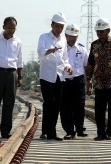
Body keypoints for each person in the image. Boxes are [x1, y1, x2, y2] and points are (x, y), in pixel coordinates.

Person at [85, 18, 111, 141]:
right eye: (98, 31)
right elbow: (90, 63)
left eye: (102, 31)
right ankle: (100, 133)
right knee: (99, 109)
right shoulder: (94, 45)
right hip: (99, 83)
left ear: (108, 30)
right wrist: (88, 79)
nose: (99, 34)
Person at [37, 12, 73, 141]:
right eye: (57, 26)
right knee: (49, 102)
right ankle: (50, 133)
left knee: (56, 104)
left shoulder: (63, 40)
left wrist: (68, 67)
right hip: (46, 75)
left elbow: (65, 58)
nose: (59, 29)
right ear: (52, 25)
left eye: (61, 27)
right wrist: (50, 50)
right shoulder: (44, 37)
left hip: (59, 75)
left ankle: (47, 130)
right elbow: (40, 53)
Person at [61, 23, 89, 139]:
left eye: (74, 36)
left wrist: (89, 81)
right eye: (70, 36)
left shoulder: (82, 49)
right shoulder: (61, 48)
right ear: (66, 35)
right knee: (65, 107)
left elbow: (87, 65)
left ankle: (80, 129)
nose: (72, 38)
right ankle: (69, 131)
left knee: (79, 106)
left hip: (79, 81)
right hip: (65, 81)